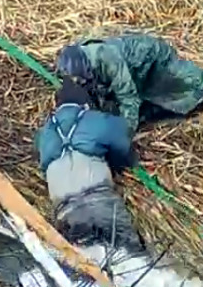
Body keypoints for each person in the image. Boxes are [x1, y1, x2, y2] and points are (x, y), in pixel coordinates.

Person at [53, 32, 203, 135]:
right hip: (137, 72)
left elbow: (128, 98)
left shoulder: (108, 59)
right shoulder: (74, 62)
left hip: (156, 62)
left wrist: (123, 135)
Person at [34, 78, 145, 252]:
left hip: (66, 212)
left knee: (91, 263)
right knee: (130, 256)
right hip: (100, 203)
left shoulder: (44, 134)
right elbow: (123, 143)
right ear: (85, 105)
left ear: (57, 106)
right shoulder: (93, 119)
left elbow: (42, 164)